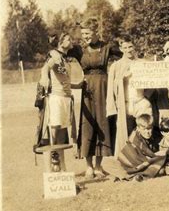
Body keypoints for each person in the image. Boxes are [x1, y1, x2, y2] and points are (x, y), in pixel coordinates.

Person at [77, 17, 122, 179]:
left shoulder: (107, 47)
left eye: (88, 33)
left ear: (96, 32)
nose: (85, 36)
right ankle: (88, 167)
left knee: (103, 123)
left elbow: (125, 53)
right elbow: (60, 53)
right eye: (83, 34)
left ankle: (98, 166)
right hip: (86, 90)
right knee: (87, 124)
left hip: (104, 88)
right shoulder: (79, 50)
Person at [39, 32, 83, 172]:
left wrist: (79, 85)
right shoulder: (54, 54)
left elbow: (65, 81)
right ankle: (52, 159)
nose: (71, 41)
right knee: (54, 129)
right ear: (61, 42)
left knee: (62, 132)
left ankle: (61, 166)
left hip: (66, 97)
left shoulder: (66, 58)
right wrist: (44, 78)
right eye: (68, 39)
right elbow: (45, 68)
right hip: (56, 97)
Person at [106, 35, 152, 158]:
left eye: (130, 46)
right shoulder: (116, 66)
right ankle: (128, 158)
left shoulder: (142, 63)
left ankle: (144, 155)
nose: (128, 50)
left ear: (134, 46)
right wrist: (122, 77)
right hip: (125, 103)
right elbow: (112, 85)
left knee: (145, 129)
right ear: (121, 49)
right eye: (125, 47)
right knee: (126, 131)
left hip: (140, 100)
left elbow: (154, 79)